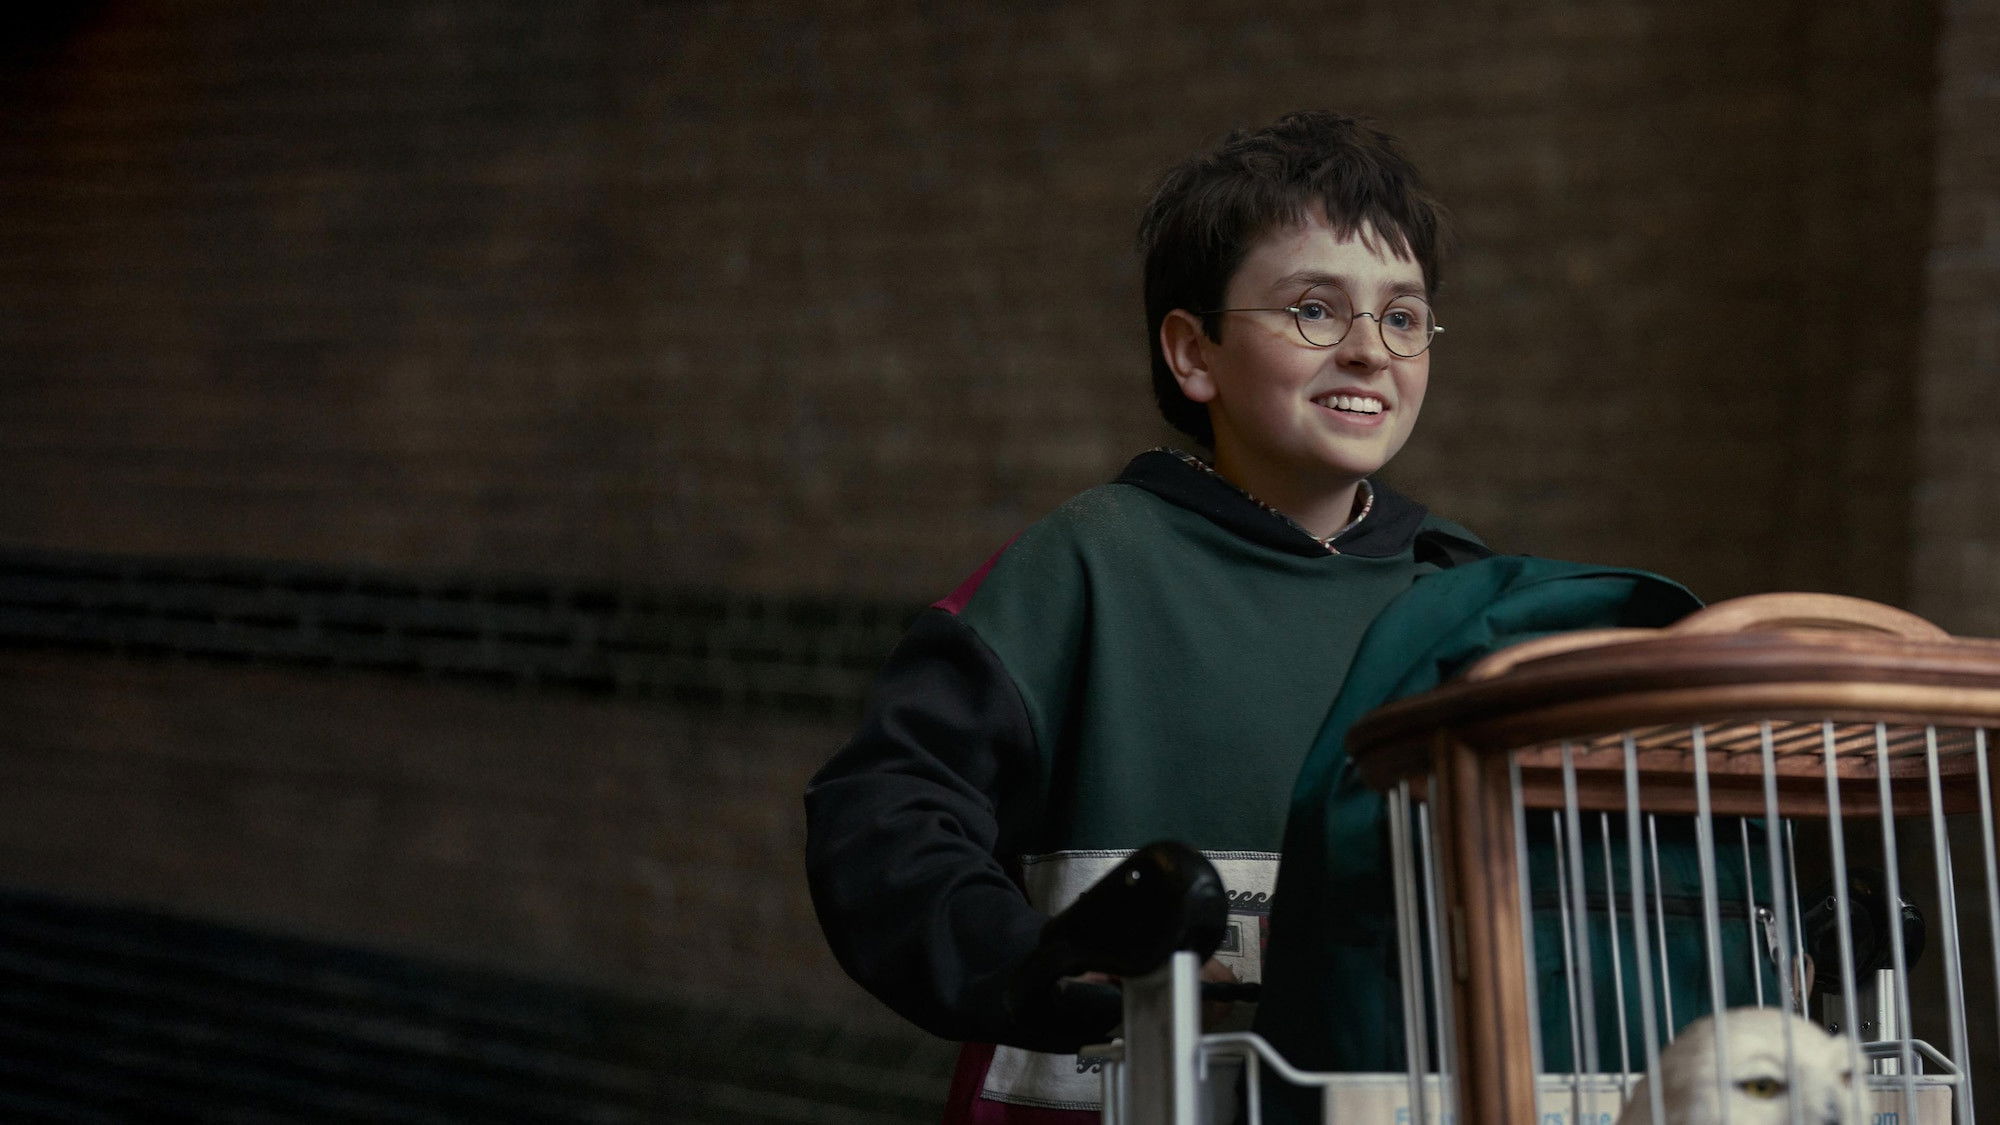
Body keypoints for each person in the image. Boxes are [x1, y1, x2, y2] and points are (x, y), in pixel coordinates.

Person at [804, 110, 1490, 1123]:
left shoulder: (1468, 595)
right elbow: (882, 814)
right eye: (1313, 309)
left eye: (1401, 317)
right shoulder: (1086, 566)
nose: (1367, 351)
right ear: (1192, 352)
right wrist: (1029, 961)